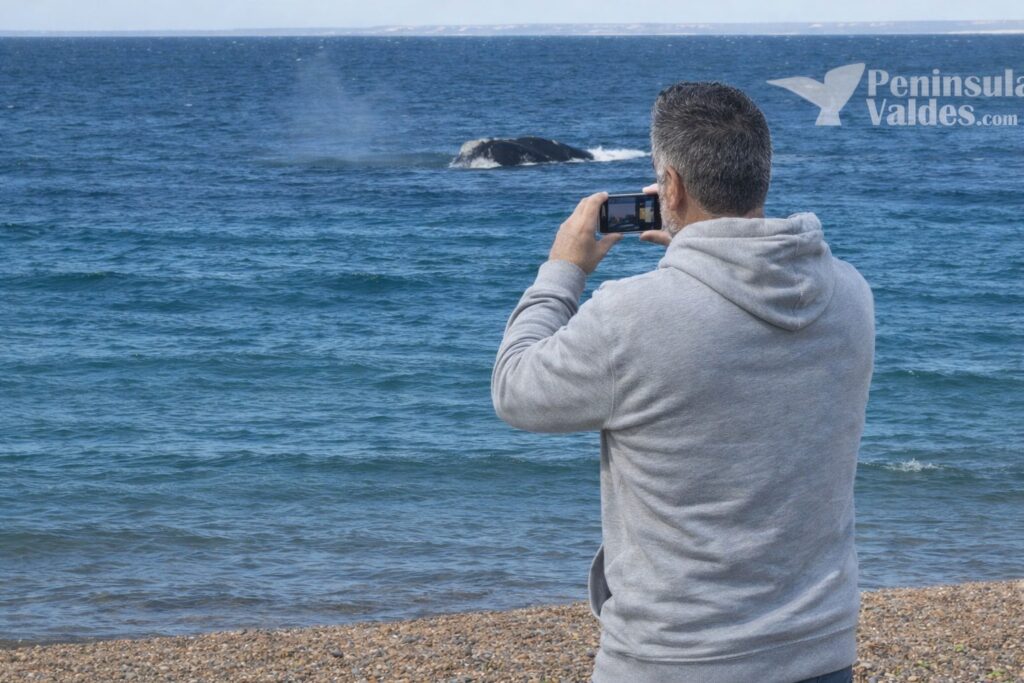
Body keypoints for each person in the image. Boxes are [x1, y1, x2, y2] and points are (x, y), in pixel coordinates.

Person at [490, 81, 874, 683]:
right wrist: (702, 256)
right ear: (760, 176)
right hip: (818, 648)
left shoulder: (630, 317)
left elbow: (516, 388)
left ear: (668, 186)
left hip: (676, 658)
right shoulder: (850, 294)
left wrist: (562, 270)